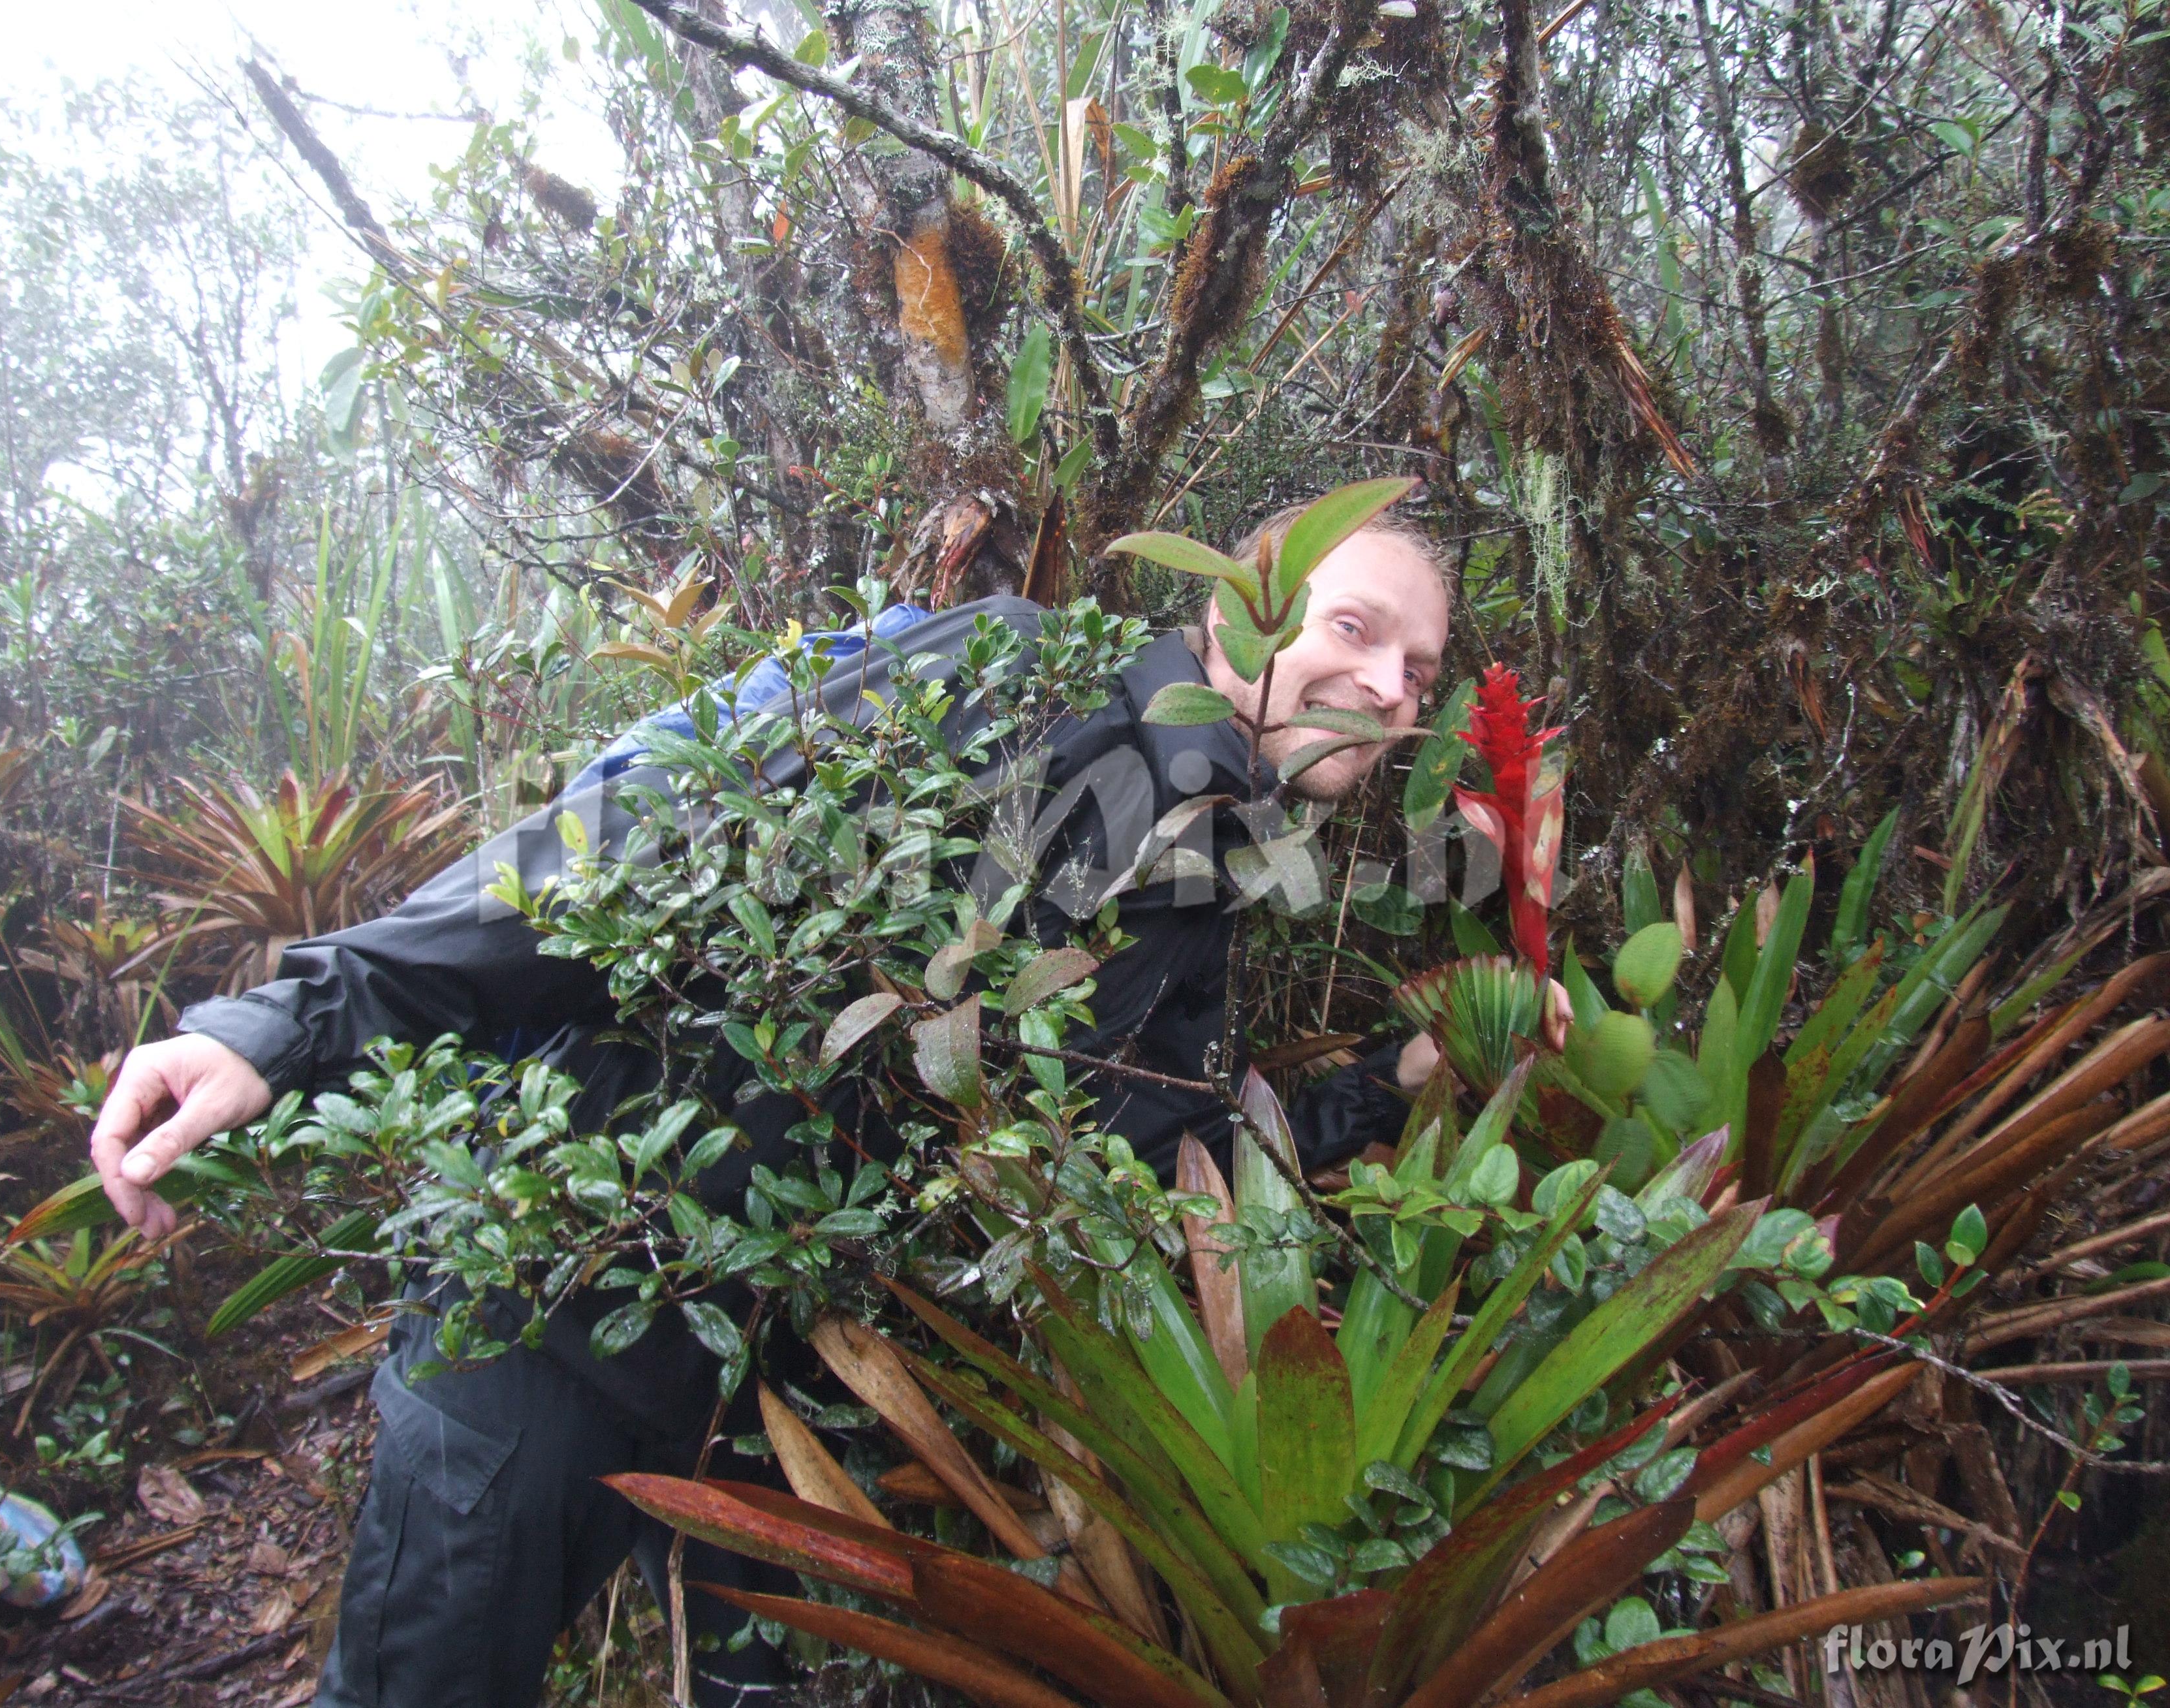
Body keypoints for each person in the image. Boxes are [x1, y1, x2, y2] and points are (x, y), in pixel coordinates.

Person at [87, 507, 1539, 1706]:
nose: (1392, 687)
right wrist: (298, 1015)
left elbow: (1154, 1150)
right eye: (1353, 627)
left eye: (1417, 669)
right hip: (556, 1306)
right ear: (1233, 611)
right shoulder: (1020, 677)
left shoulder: (1213, 873)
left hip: (790, 1393)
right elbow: (635, 831)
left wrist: (1387, 1090)